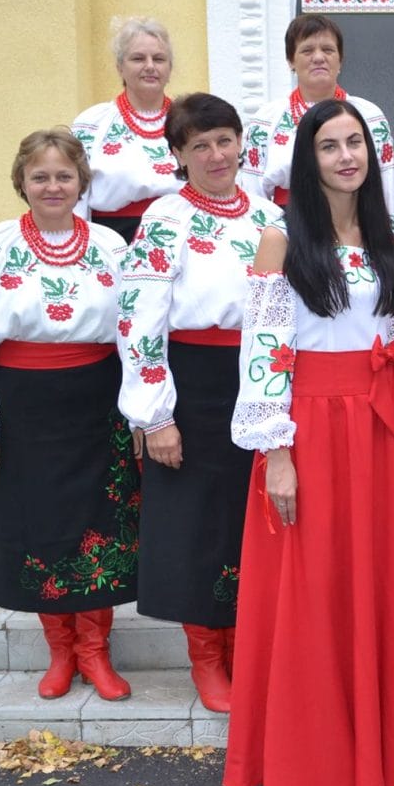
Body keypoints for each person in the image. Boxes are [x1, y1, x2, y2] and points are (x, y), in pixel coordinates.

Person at [222, 98, 394, 786]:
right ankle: (308, 763)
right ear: (307, 163)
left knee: (370, 586)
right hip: (306, 427)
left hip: (373, 431)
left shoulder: (390, 241)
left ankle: (377, 758)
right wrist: (276, 454)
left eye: (356, 143)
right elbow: (264, 353)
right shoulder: (281, 242)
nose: (346, 156)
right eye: (330, 146)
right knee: (307, 592)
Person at [0, 128, 136, 702]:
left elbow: (134, 331)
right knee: (39, 524)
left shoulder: (111, 246)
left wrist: (143, 410)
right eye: (40, 176)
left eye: (64, 175)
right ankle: (60, 653)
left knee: (98, 525)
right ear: (21, 182)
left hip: (98, 400)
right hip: (23, 403)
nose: (53, 186)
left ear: (82, 182)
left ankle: (96, 651)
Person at [117, 92, 281, 713]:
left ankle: (248, 648)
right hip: (194, 382)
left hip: (261, 377)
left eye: (225, 140)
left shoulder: (272, 216)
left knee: (251, 520)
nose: (217, 155)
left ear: (243, 143)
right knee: (198, 524)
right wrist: (155, 413)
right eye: (200, 146)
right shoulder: (166, 218)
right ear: (179, 157)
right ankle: (207, 659)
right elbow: (139, 318)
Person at [241, 14, 394, 212]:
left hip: (355, 224)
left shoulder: (369, 116)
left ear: (340, 60)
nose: (318, 58)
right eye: (307, 50)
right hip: (287, 225)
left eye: (328, 50)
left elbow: (388, 186)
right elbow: (252, 192)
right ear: (291, 61)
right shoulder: (267, 119)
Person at [72, 17, 186, 242]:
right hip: (113, 240)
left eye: (159, 59)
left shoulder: (190, 122)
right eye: (138, 58)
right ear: (120, 67)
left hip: (181, 237)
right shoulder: (93, 124)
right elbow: (75, 196)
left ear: (170, 68)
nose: (150, 66)